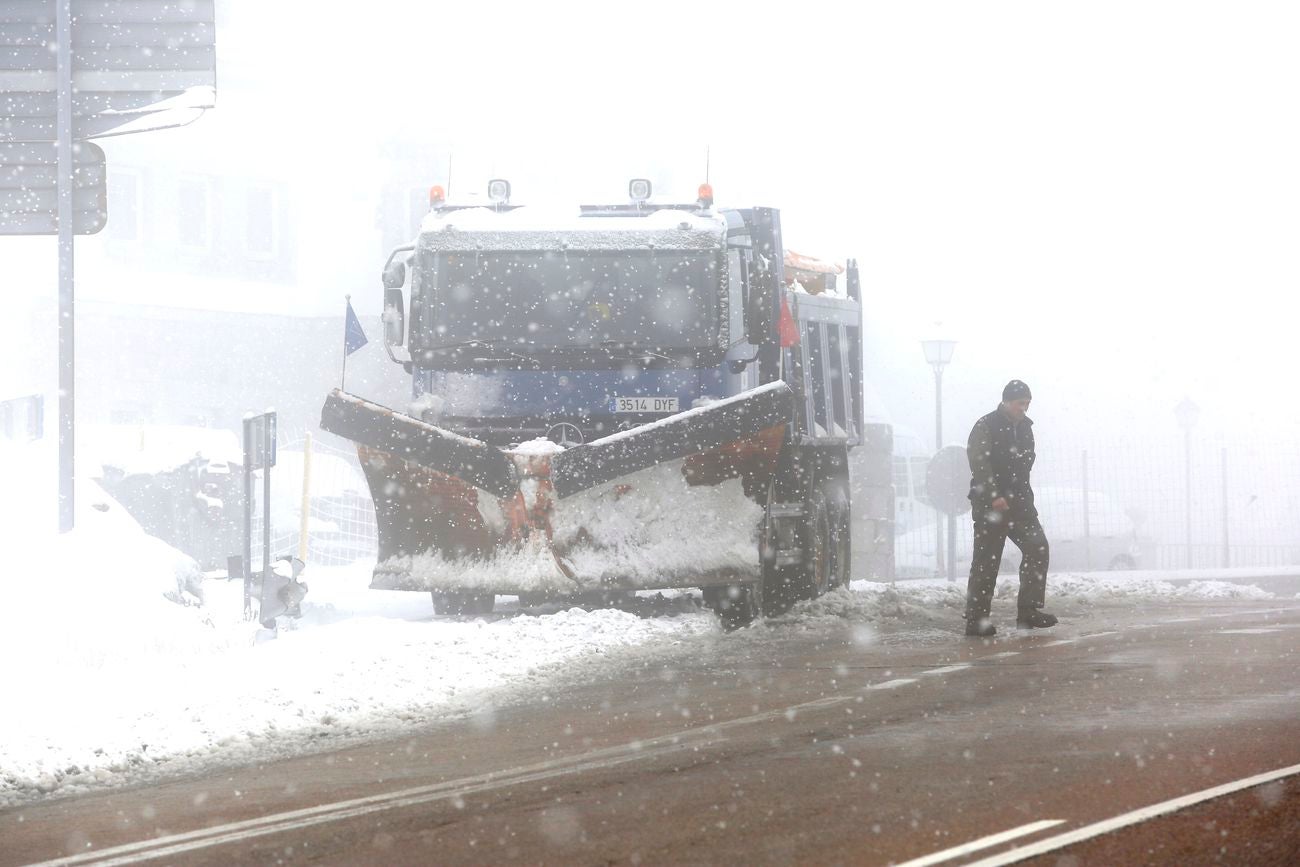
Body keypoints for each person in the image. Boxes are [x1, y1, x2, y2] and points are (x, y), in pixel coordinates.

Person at [963, 379, 1058, 637]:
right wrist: (994, 495)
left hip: (1020, 505)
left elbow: (1026, 464)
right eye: (1020, 403)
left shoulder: (1026, 428)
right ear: (1006, 401)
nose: (1024, 408)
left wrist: (1021, 496)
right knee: (986, 562)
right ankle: (976, 619)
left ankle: (1028, 612)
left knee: (1038, 547)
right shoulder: (986, 426)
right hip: (990, 506)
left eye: (1027, 404)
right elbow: (979, 462)